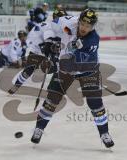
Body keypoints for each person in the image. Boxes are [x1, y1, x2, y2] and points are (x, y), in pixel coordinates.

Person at [30, 9, 114, 148]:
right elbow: (51, 25)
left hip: (88, 69)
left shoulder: (93, 39)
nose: (84, 28)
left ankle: (104, 133)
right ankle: (39, 129)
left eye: (88, 26)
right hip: (65, 68)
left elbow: (77, 47)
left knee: (95, 102)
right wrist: (50, 40)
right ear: (78, 21)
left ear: (93, 27)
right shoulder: (67, 21)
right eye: (82, 24)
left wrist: (61, 47)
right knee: (52, 99)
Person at [8, 9, 68, 94]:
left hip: (45, 49)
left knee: (58, 66)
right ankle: (17, 85)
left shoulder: (62, 27)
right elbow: (36, 40)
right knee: (30, 69)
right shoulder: (48, 27)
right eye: (62, 18)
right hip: (37, 49)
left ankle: (53, 88)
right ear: (56, 18)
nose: (65, 20)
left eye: (65, 18)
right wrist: (46, 50)